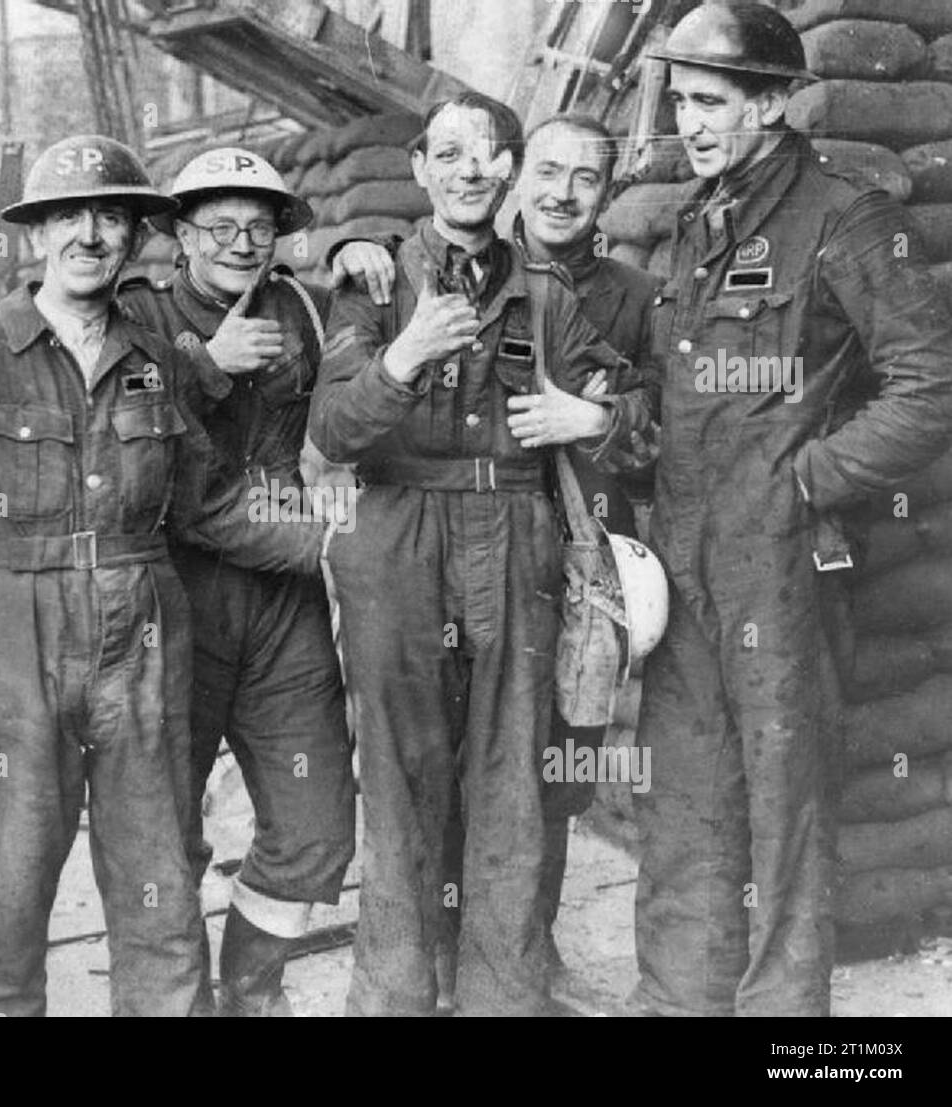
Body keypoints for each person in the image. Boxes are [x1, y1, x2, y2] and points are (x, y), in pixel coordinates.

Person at [0, 134, 324, 1017]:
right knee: (9, 878)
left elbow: (206, 504)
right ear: (37, 235)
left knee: (156, 877)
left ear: (138, 233)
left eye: (111, 215)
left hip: (142, 632)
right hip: (9, 636)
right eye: (69, 215)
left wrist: (338, 547)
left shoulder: (158, 357)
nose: (91, 234)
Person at [631, 1, 952, 1016]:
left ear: (773, 103)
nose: (691, 121)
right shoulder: (690, 224)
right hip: (682, 554)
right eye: (681, 101)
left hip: (779, 558)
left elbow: (929, 383)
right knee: (684, 796)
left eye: (712, 101)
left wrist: (809, 481)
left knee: (784, 803)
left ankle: (782, 1022)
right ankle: (676, 998)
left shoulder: (846, 218)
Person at [309, 91, 657, 1016]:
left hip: (515, 541)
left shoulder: (545, 297)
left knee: (511, 779)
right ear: (420, 169)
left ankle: (503, 997)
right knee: (399, 778)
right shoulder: (371, 285)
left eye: (491, 153)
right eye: (450, 153)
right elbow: (335, 430)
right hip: (396, 542)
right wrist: (402, 357)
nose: (471, 168)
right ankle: (395, 996)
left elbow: (644, 416)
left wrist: (596, 417)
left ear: (509, 173)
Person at [118, 146, 356, 1016]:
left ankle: (252, 990)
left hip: (285, 609)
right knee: (162, 833)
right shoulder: (138, 317)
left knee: (316, 820)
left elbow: (382, 323)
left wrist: (362, 246)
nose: (241, 242)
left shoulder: (303, 306)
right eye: (219, 225)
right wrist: (206, 363)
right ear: (180, 234)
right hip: (177, 604)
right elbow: (181, 488)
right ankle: (175, 1000)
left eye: (259, 226)